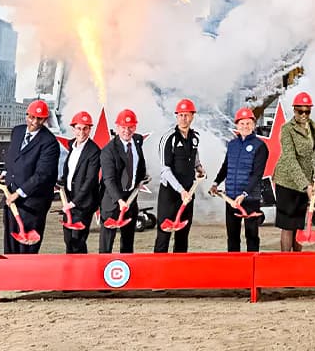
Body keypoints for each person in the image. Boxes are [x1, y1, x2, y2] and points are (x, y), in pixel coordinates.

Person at [1, 100, 59, 254]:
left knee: (26, 249)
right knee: (10, 244)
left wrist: (18, 193)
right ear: (26, 114)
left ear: (45, 119)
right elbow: (13, 157)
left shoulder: (50, 142)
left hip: (33, 203)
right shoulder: (17, 131)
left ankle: (25, 277)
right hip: (11, 199)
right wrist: (5, 174)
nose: (34, 121)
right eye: (31, 117)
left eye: (39, 118)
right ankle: (11, 276)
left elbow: (43, 175)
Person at [210, 107, 269, 252]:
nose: (245, 127)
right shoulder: (232, 145)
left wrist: (244, 194)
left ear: (253, 125)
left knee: (252, 235)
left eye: (248, 123)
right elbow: (226, 166)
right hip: (231, 197)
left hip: (250, 198)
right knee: (232, 236)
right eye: (242, 123)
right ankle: (234, 267)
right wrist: (215, 183)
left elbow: (257, 174)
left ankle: (253, 266)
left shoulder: (260, 146)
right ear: (237, 125)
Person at [154, 98, 205, 253]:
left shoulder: (195, 137)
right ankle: (159, 270)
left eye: (187, 115)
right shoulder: (168, 138)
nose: (184, 118)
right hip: (170, 194)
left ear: (192, 116)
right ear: (177, 116)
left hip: (189, 193)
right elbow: (165, 170)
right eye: (181, 115)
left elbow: (194, 155)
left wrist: (199, 167)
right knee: (164, 236)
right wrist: (180, 190)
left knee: (183, 235)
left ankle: (179, 270)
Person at [272, 92, 315, 252]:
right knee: (288, 225)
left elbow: (313, 154)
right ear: (294, 110)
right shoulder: (287, 129)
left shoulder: (313, 127)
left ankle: (297, 260)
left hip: (305, 184)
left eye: (307, 111)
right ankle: (286, 262)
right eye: (300, 111)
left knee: (299, 224)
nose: (304, 115)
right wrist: (305, 185)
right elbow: (290, 159)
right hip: (287, 182)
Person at [99, 109, 147, 254]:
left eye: (130, 127)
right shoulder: (109, 151)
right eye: (123, 127)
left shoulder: (137, 141)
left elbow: (138, 164)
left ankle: (126, 271)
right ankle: (103, 271)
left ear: (135, 127)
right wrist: (119, 200)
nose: (127, 130)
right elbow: (108, 179)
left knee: (128, 242)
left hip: (131, 199)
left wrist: (141, 178)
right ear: (117, 127)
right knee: (106, 245)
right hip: (112, 201)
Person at [60, 111, 102, 253]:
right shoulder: (72, 146)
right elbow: (70, 172)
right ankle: (70, 270)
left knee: (78, 240)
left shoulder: (94, 151)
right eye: (79, 128)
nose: (82, 132)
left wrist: (75, 202)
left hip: (83, 202)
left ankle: (82, 271)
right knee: (68, 240)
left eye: (86, 128)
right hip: (69, 199)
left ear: (90, 129)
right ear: (73, 129)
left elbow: (90, 180)